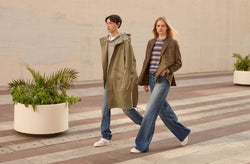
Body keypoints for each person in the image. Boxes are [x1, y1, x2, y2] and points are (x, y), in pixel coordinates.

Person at [130, 17, 191, 153]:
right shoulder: (151, 42)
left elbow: (178, 63)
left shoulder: (173, 43)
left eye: (163, 26)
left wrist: (167, 71)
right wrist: (145, 81)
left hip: (163, 80)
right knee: (164, 112)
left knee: (150, 110)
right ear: (155, 28)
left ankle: (141, 145)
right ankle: (183, 133)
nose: (160, 28)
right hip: (152, 79)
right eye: (158, 26)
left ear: (167, 28)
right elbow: (147, 62)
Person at [94, 14, 143, 147]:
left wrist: (126, 82)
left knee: (126, 108)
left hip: (121, 79)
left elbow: (130, 63)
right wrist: (104, 74)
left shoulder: (124, 41)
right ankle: (106, 136)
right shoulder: (105, 41)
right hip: (109, 80)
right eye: (107, 23)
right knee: (105, 108)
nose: (108, 26)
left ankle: (146, 125)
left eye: (110, 23)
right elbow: (107, 60)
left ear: (118, 24)